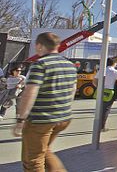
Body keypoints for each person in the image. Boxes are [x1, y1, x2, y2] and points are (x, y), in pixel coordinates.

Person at [13, 32, 77, 172]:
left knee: (33, 160)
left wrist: (21, 120)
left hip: (41, 120)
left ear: (40, 46)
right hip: (63, 118)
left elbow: (30, 93)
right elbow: (72, 90)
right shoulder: (70, 65)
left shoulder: (40, 64)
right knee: (45, 151)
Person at [94, 57, 117, 131]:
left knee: (100, 108)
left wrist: (99, 87)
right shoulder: (115, 72)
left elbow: (94, 81)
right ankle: (102, 127)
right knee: (106, 109)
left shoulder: (101, 70)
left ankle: (97, 125)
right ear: (114, 63)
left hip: (101, 90)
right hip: (109, 92)